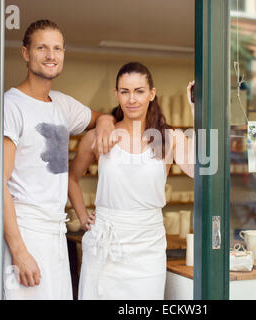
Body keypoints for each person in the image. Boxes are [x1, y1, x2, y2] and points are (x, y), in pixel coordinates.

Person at [3, 19, 116, 300]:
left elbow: (102, 117)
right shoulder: (12, 104)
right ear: (26, 53)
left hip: (56, 233)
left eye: (57, 48)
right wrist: (19, 251)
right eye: (42, 48)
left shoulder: (63, 105)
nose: (51, 55)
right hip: (26, 231)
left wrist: (104, 123)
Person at [69, 62, 195, 299]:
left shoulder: (170, 138)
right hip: (105, 244)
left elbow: (203, 172)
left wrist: (197, 110)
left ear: (152, 93)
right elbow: (71, 178)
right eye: (125, 91)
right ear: (116, 94)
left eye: (139, 91)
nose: (131, 99)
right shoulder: (98, 137)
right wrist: (84, 217)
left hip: (148, 247)